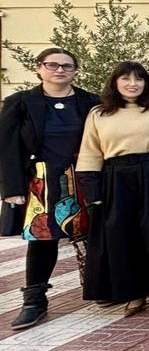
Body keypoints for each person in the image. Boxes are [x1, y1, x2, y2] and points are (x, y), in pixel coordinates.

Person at [75, 61, 149, 316]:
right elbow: (90, 151)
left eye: (138, 79)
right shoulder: (99, 114)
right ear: (115, 83)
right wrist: (93, 193)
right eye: (126, 79)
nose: (133, 84)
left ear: (146, 83)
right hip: (117, 179)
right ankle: (135, 292)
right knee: (123, 236)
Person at [0, 47, 99, 329]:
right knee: (43, 239)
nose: (59, 70)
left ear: (75, 71)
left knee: (97, 234)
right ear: (39, 68)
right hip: (41, 181)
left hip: (83, 178)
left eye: (67, 66)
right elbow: (6, 147)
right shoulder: (20, 103)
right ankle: (34, 301)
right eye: (52, 65)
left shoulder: (90, 102)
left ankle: (103, 288)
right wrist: (11, 187)